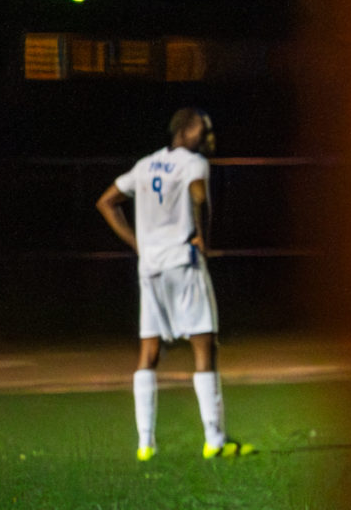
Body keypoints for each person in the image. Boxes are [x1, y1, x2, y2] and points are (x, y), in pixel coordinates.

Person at [93, 108, 252, 460]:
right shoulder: (193, 163)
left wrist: (137, 244)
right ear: (186, 130)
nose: (208, 136)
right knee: (204, 347)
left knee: (148, 354)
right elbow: (198, 197)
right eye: (204, 129)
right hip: (183, 262)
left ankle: (145, 444)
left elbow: (106, 202)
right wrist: (203, 238)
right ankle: (214, 440)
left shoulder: (145, 165)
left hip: (150, 268)